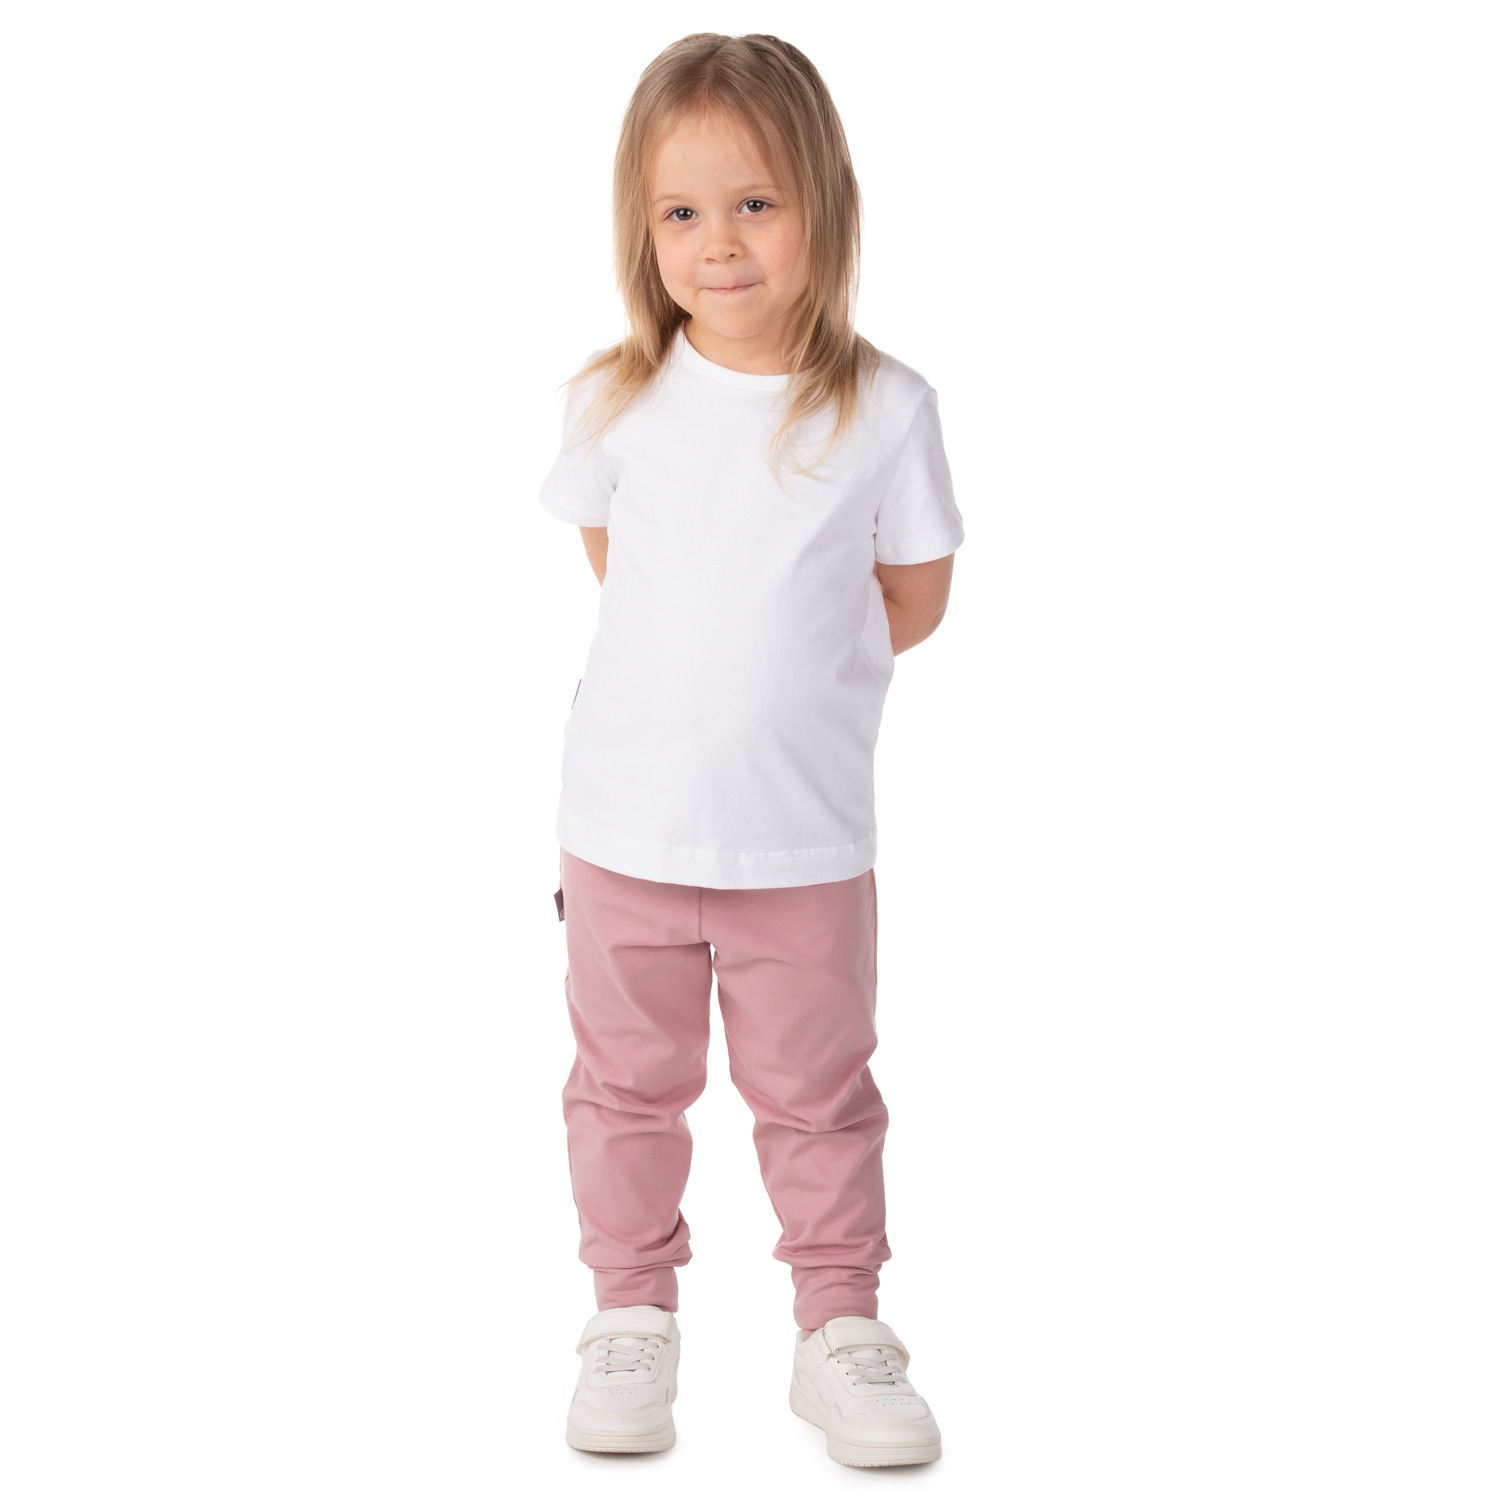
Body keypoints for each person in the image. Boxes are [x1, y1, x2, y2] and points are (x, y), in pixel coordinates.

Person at [538, 33, 963, 1469]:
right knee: (622, 1089)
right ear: (643, 229)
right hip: (626, 835)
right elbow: (628, 577)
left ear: (824, 204)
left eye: (756, 203)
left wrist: (787, 681)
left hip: (803, 842)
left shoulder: (885, 409)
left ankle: (841, 1329)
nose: (718, 242)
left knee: (822, 1097)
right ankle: (629, 1312)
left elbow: (913, 599)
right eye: (682, 212)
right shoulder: (613, 404)